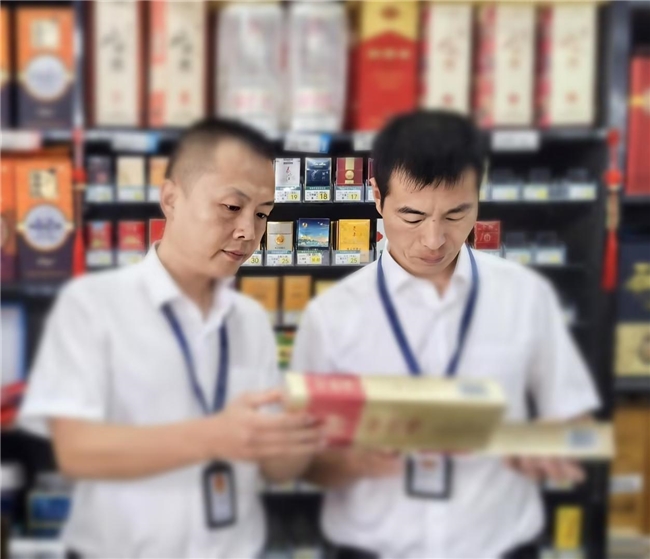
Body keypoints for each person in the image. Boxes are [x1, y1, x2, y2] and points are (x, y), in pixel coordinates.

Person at [291, 111, 601, 559]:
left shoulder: (525, 296)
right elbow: (303, 461)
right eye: (412, 215)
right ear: (377, 197)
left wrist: (549, 446)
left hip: (499, 547)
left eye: (457, 213)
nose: (434, 239)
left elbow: (577, 422)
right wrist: (351, 461)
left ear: (478, 195)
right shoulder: (330, 315)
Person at [19, 118, 324, 559]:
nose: (248, 231)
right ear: (171, 199)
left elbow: (273, 468)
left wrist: (304, 439)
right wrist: (214, 436)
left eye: (262, 214)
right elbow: (76, 452)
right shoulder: (91, 305)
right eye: (231, 207)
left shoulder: (251, 320)